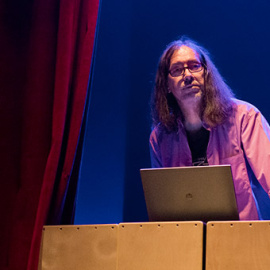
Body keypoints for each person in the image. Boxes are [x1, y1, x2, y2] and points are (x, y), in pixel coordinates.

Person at [150, 37, 270, 220]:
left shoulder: (244, 117)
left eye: (194, 66)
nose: (188, 76)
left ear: (207, 74)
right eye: (177, 70)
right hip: (188, 241)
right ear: (166, 84)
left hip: (241, 236)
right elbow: (162, 206)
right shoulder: (159, 137)